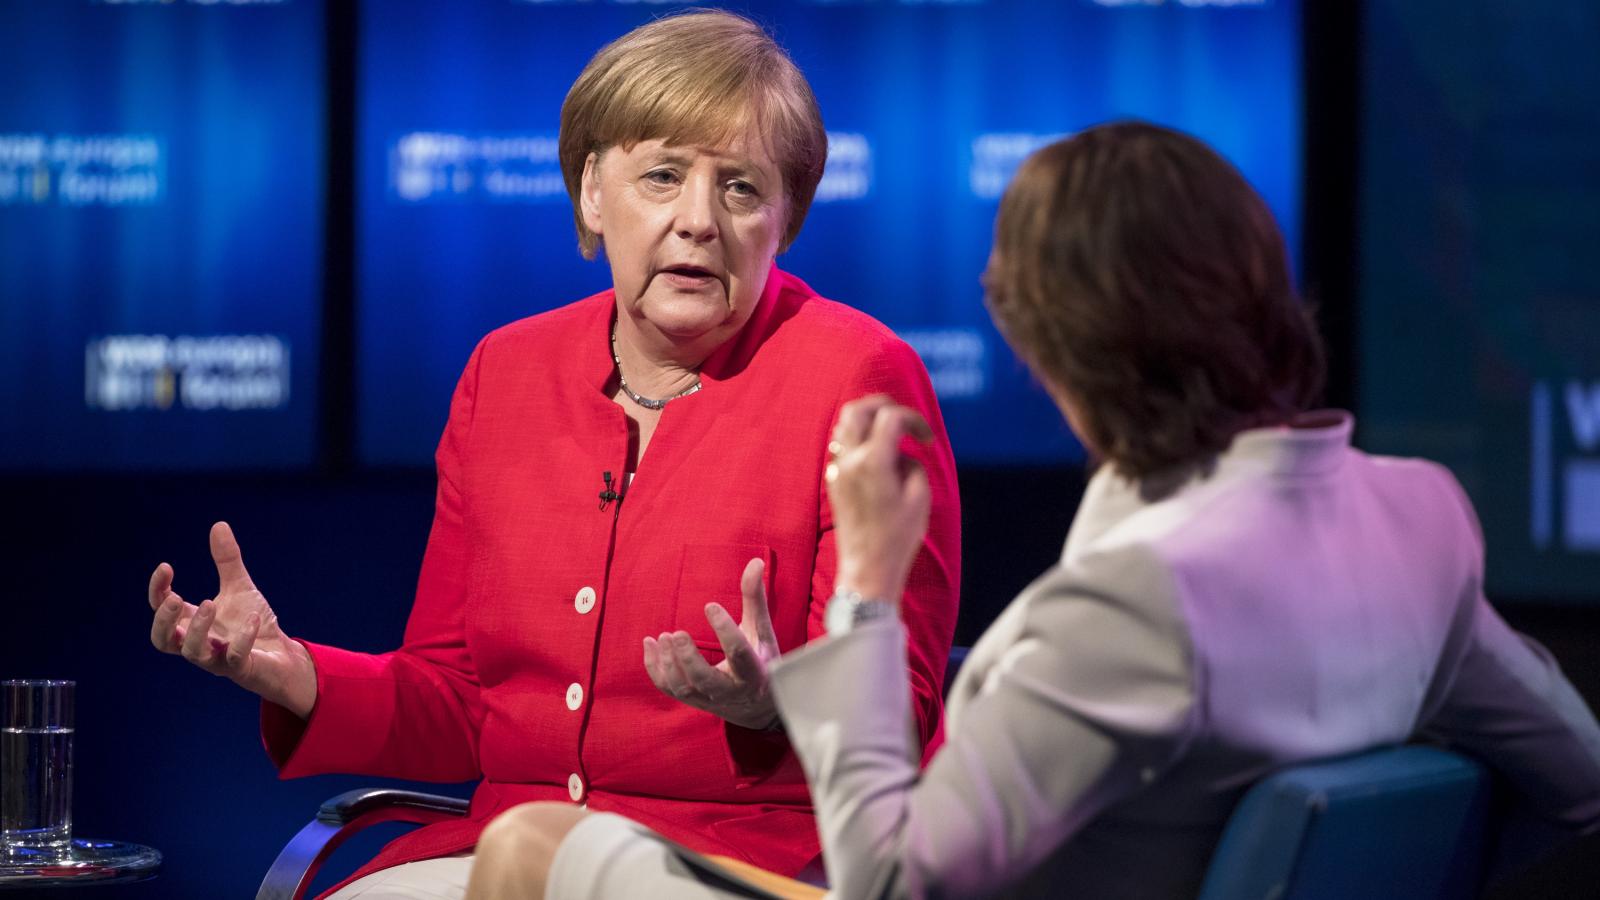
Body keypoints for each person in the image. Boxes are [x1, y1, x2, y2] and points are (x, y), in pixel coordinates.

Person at [464, 121, 1600, 899]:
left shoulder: (1127, 613)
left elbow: (887, 878)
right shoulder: (1417, 518)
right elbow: (1576, 777)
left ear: (1049, 350)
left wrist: (863, 582)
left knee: (528, 847)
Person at [143, 11, 961, 898]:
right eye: (661, 175)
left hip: (744, 862)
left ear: (785, 221)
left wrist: (778, 704)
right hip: (500, 852)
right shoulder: (506, 373)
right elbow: (459, 700)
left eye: (739, 189)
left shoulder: (858, 377)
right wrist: (298, 673)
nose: (697, 221)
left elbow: (907, 718)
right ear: (591, 194)